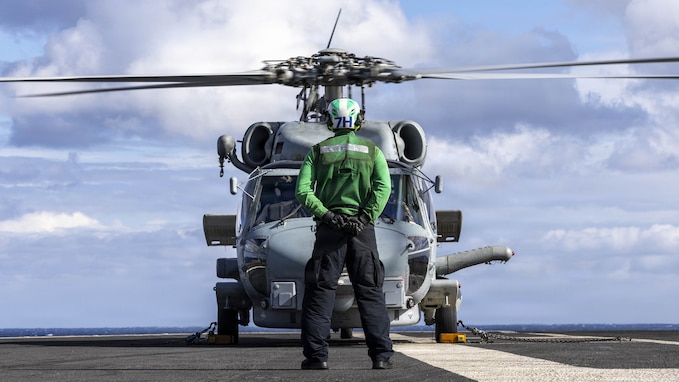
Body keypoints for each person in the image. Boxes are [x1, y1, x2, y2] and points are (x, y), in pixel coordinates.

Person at [295, 97, 394, 370]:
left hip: (329, 231)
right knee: (370, 291)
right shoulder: (373, 151)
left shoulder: (317, 152)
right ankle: (381, 357)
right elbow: (383, 189)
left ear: (328, 121)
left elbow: (303, 192)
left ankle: (317, 357)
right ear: (358, 120)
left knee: (320, 292)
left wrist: (329, 216)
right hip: (363, 232)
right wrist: (363, 217)